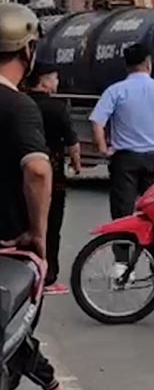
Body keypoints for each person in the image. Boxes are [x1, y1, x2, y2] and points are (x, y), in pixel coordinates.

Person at [0, 3, 62, 389]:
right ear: (28, 51)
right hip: (8, 249)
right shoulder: (19, 106)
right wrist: (38, 235)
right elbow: (38, 171)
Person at [90, 43, 154, 271]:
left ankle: (121, 264)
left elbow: (97, 121)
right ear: (148, 63)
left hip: (124, 160)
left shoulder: (116, 90)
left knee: (122, 212)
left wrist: (102, 148)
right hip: (153, 160)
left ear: (127, 65)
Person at [25, 62, 81, 294]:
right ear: (44, 80)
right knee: (51, 224)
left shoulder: (21, 103)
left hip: (23, 171)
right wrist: (77, 165)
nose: (57, 83)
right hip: (52, 173)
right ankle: (48, 275)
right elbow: (72, 142)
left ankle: (26, 271)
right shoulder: (57, 108)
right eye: (55, 78)